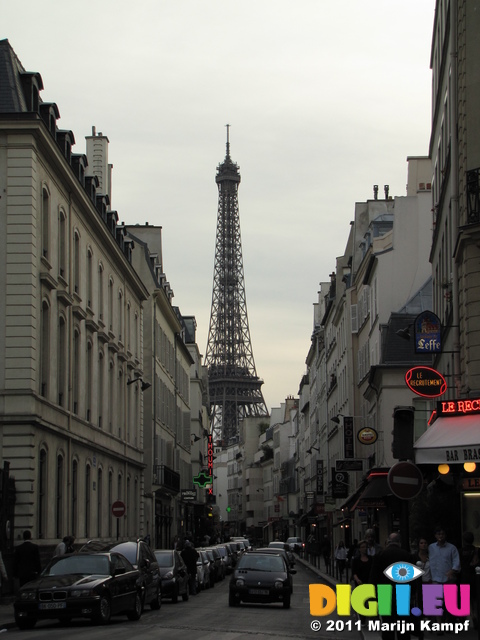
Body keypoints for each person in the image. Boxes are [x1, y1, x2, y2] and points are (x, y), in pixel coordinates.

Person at [370, 532, 414, 640]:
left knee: (387, 624)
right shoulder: (406, 555)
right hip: (403, 591)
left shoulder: (380, 555)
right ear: (399, 542)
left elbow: (374, 576)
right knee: (403, 624)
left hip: (384, 591)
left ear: (388, 542)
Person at [459, 531, 478, 627]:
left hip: (464, 576)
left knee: (466, 598)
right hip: (474, 576)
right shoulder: (476, 550)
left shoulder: (461, 551)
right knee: (475, 598)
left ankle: (469, 617)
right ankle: (475, 615)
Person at [351, 540, 372, 626]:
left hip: (369, 582)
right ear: (359, 549)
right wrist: (357, 580)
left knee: (369, 601)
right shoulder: (356, 560)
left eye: (365, 547)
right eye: (362, 547)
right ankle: (362, 620)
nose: (364, 549)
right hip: (360, 583)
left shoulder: (371, 559)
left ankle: (368, 618)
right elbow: (354, 572)